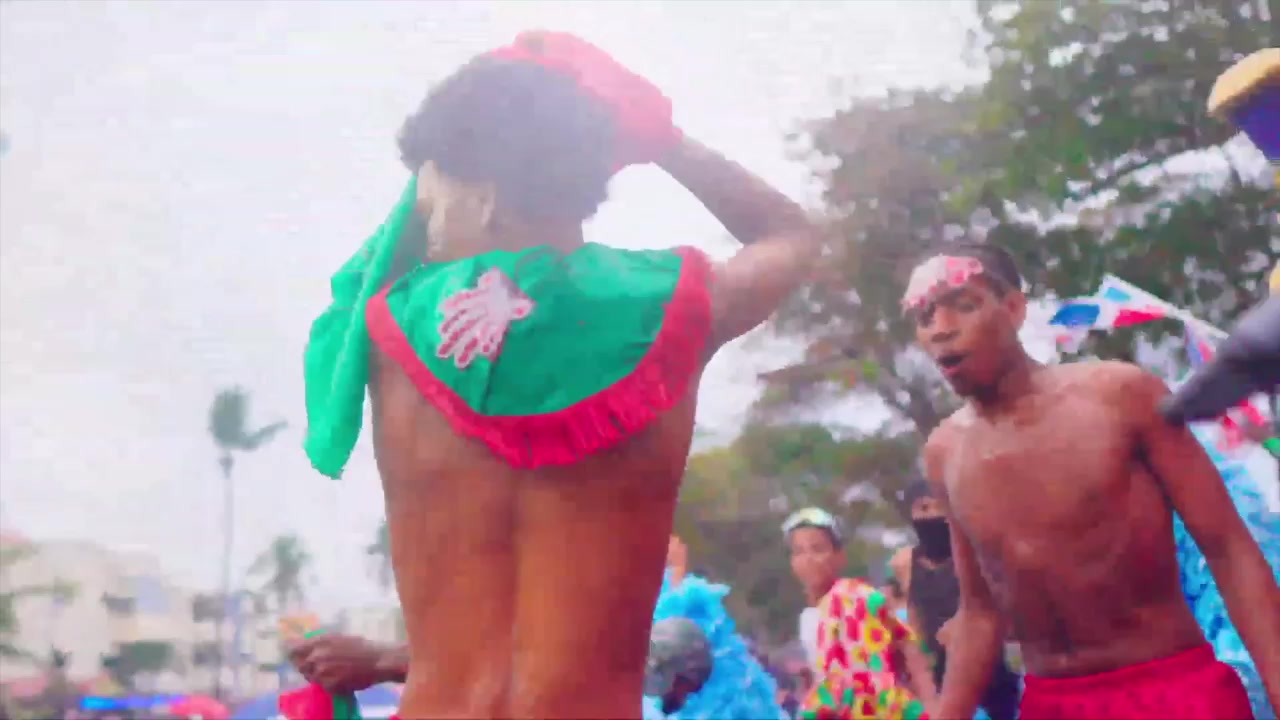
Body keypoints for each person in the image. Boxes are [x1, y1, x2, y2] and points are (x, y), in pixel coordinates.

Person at [299, 32, 820, 718]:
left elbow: (371, 270)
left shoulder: (386, 333)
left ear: (484, 195)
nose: (422, 212)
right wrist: (663, 140)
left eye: (431, 188)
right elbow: (792, 236)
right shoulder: (675, 310)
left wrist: (462, 147)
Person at [904, 242, 1280, 719]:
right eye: (925, 317)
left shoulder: (1121, 396)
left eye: (964, 305)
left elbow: (1228, 547)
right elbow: (980, 611)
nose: (941, 328)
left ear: (1014, 308)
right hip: (1049, 704)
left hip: (1171, 689)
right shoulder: (944, 453)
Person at [784, 507, 938, 719]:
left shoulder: (859, 597)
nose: (808, 559)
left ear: (839, 557)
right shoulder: (807, 617)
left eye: (817, 549)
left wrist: (932, 704)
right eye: (799, 551)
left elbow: (910, 650)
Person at [889, 480, 1021, 720]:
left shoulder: (975, 554)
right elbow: (915, 619)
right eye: (923, 508)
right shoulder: (904, 562)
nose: (932, 515)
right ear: (911, 514)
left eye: (940, 507)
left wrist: (964, 631)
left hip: (987, 668)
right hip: (941, 675)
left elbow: (1000, 611)